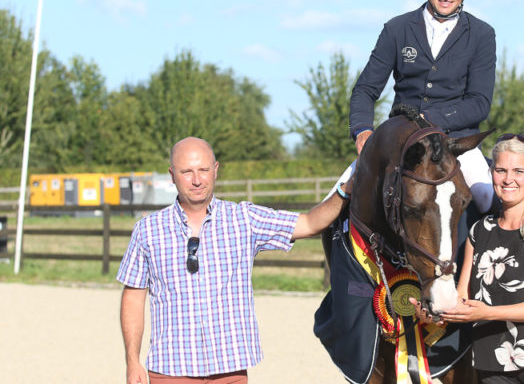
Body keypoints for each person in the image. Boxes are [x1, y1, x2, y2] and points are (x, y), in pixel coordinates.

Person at [117, 137, 351, 384]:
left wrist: (345, 190)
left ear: (215, 170)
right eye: (187, 172)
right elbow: (133, 296)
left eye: (204, 170)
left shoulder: (244, 219)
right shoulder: (147, 230)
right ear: (172, 174)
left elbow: (309, 223)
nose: (197, 180)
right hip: (170, 370)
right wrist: (132, 361)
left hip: (230, 371)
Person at [337, 0, 497, 213]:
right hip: (400, 140)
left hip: (456, 143)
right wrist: (363, 130)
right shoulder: (397, 29)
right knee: (338, 199)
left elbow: (479, 102)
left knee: (486, 198)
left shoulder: (482, 34)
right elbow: (365, 90)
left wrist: (426, 120)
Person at [415, 133, 524, 383]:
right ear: (491, 173)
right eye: (500, 170)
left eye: (518, 171)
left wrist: (487, 313)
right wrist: (435, 312)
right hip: (493, 361)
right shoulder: (479, 232)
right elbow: (463, 299)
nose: (508, 179)